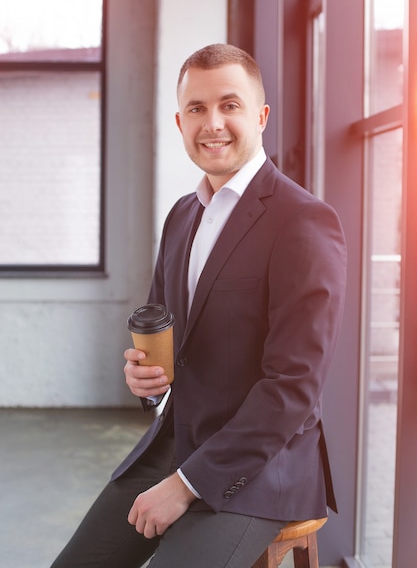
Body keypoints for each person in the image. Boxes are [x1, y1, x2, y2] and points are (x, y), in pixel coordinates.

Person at [51, 43, 347, 568]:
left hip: (261, 468)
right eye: (197, 108)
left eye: (229, 105)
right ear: (179, 120)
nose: (213, 123)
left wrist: (186, 486)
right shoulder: (182, 216)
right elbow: (164, 337)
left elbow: (294, 388)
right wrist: (147, 382)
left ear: (260, 116)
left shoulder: (304, 222)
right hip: (174, 444)